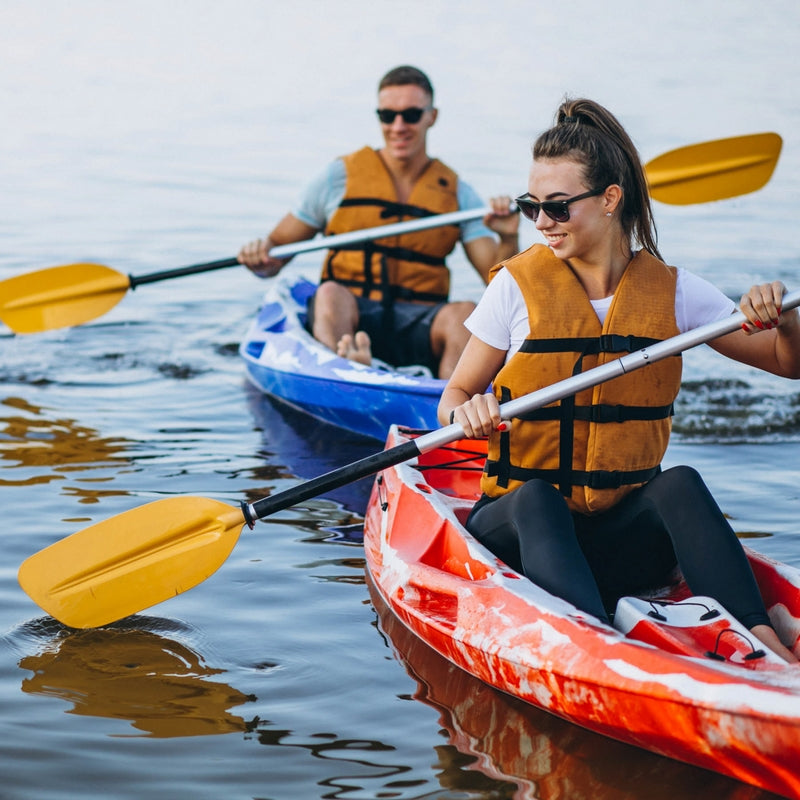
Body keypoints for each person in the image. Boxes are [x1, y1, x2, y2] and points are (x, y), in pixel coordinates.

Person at [438, 97, 800, 663]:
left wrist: (785, 318)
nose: (541, 223)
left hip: (620, 539)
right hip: (520, 531)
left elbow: (786, 361)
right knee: (538, 498)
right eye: (532, 207)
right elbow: (454, 396)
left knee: (679, 483)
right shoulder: (514, 288)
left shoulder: (674, 292)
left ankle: (765, 640)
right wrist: (466, 411)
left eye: (557, 207)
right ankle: (594, 647)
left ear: (610, 200)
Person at [238, 65, 519, 379]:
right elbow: (275, 255)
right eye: (388, 116)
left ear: (432, 117)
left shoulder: (458, 194)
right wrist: (260, 256)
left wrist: (508, 238)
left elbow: (499, 288)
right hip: (353, 316)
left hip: (420, 323)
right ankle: (346, 371)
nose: (398, 127)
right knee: (328, 294)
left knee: (464, 313)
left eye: (411, 115)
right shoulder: (336, 178)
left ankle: (451, 399)